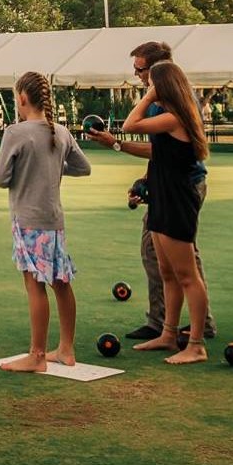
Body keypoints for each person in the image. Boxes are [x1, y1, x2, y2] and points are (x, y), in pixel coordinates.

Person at [85, 41, 215, 342]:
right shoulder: (167, 102)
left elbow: (139, 131)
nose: (137, 76)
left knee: (185, 264)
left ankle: (196, 331)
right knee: (164, 260)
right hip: (164, 184)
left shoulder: (176, 105)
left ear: (159, 72)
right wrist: (144, 181)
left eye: (141, 70)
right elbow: (161, 151)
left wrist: (147, 98)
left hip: (182, 187)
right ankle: (166, 328)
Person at [0, 71, 91, 372]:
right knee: (61, 282)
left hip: (28, 219)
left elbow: (0, 178)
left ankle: (37, 355)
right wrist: (51, 168)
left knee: (35, 283)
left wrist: (31, 170)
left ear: (22, 98)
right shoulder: (60, 132)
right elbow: (83, 167)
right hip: (54, 219)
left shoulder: (15, 133)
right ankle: (66, 349)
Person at [122, 60, 212, 364]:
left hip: (177, 198)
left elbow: (129, 125)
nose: (146, 87)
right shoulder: (168, 118)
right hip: (161, 194)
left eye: (151, 84)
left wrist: (148, 97)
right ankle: (169, 334)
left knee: (187, 275)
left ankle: (197, 345)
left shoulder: (174, 118)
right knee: (167, 273)